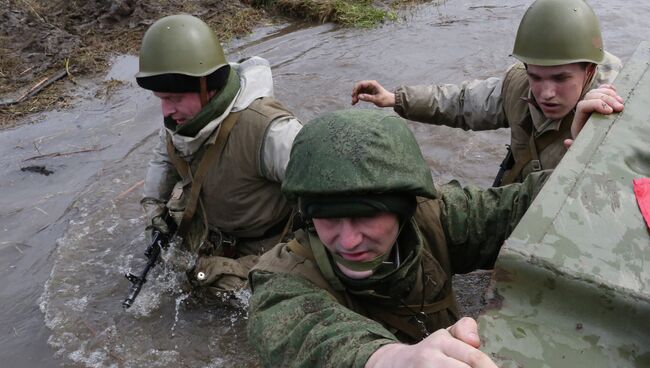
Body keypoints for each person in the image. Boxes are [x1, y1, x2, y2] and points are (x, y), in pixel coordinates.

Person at [247, 109, 553, 367]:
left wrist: (582, 151)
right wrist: (394, 359)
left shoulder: (435, 217)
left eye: (366, 216)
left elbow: (525, 207)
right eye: (328, 218)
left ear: (402, 210)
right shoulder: (281, 280)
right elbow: (307, 334)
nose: (349, 241)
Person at [351, 0, 624, 186]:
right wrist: (396, 99)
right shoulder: (517, 86)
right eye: (536, 76)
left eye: (561, 78)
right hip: (518, 203)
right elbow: (461, 102)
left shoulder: (613, 117)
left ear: (589, 71)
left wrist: (588, 151)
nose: (546, 93)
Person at [135, 14, 302, 296]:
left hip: (269, 241)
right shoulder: (184, 123)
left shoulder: (268, 130)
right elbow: (164, 159)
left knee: (229, 293)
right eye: (161, 99)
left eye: (173, 99)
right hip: (214, 232)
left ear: (207, 87)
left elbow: (329, 188)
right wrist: (154, 214)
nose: (165, 112)